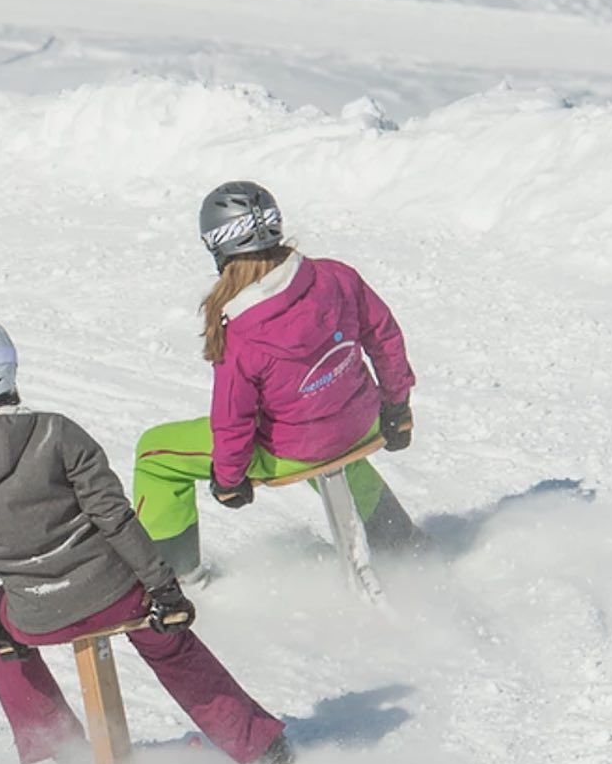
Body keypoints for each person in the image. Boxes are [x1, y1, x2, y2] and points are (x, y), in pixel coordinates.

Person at [0, 318, 291, 764]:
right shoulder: (56, 433)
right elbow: (114, 518)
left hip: (36, 616)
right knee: (167, 638)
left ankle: (64, 751)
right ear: (8, 367)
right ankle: (259, 747)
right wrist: (164, 590)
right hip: (115, 595)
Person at [130, 182, 425, 580]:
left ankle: (178, 581)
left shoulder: (241, 327)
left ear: (219, 248)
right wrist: (397, 406)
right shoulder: (336, 277)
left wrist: (230, 479)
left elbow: (233, 415)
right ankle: (401, 543)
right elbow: (384, 337)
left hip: (293, 449)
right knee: (336, 444)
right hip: (361, 424)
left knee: (156, 455)